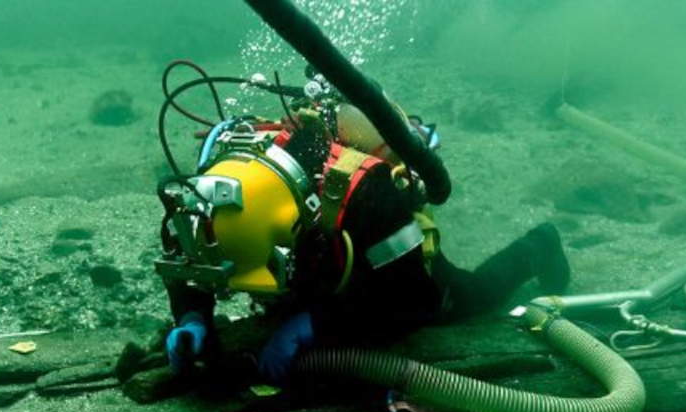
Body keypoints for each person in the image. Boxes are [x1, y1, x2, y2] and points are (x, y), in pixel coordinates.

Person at [155, 75, 570, 384]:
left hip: (378, 263)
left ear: (294, 224)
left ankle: (540, 246)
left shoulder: (372, 198)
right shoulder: (210, 197)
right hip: (325, 259)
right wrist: (193, 316)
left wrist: (320, 324)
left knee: (464, 298)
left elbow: (414, 302)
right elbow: (188, 260)